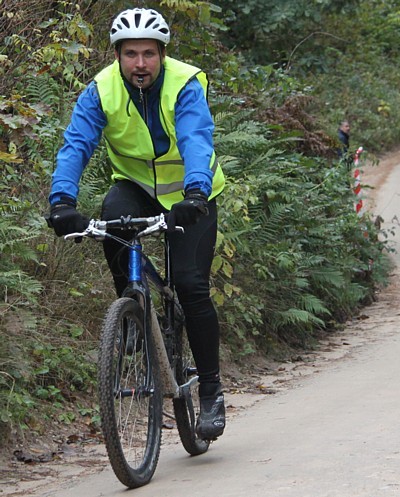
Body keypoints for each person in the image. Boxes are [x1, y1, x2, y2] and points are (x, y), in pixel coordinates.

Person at [45, 8, 227, 440]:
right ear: (118, 56)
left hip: (191, 195)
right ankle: (132, 310)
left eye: (148, 53)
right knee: (110, 219)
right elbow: (76, 143)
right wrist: (61, 200)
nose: (140, 63)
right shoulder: (101, 90)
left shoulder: (184, 84)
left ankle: (211, 391)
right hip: (136, 186)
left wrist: (196, 193)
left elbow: (196, 138)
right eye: (131, 54)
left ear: (162, 55)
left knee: (190, 284)